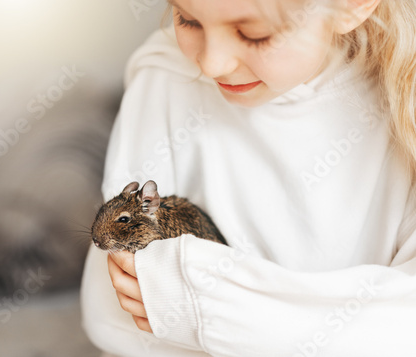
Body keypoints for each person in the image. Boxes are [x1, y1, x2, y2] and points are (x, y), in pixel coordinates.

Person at [81, 0, 416, 356]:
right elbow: (112, 315)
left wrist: (207, 308)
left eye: (254, 34)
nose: (212, 63)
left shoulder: (401, 102)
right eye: (188, 20)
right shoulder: (164, 78)